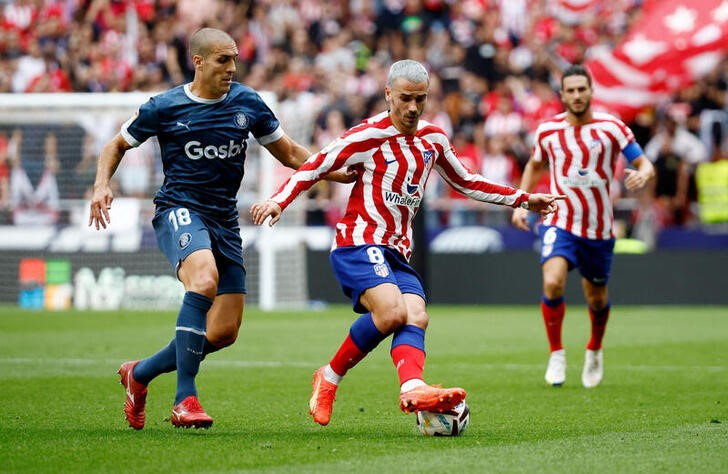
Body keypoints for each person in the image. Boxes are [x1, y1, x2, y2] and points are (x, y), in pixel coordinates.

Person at [250, 59, 564, 426]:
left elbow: (467, 181)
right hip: (359, 241)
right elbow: (314, 166)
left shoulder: (433, 139)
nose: (413, 107)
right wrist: (278, 200)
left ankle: (406, 386)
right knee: (393, 312)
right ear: (388, 95)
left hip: (396, 251)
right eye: (405, 98)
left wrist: (524, 199)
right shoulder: (365, 135)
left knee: (416, 316)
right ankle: (336, 378)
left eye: (420, 99)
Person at [88, 28, 354, 430]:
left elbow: (291, 152)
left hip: (225, 220)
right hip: (179, 209)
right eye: (222, 60)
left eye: (234, 60)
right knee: (204, 279)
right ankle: (185, 399)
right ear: (198, 61)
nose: (232, 68)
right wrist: (101, 185)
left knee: (224, 331)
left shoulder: (249, 103)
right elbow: (115, 146)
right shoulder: (164, 106)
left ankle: (138, 375)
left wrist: (337, 173)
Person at [511, 64, 655, 388]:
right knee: (553, 282)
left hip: (599, 228)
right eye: (571, 90)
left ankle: (594, 349)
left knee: (597, 298)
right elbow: (534, 166)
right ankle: (556, 353)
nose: (577, 95)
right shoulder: (548, 131)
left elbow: (644, 163)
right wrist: (522, 203)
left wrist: (642, 174)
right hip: (560, 220)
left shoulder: (612, 128)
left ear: (591, 91)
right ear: (562, 95)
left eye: (582, 89)